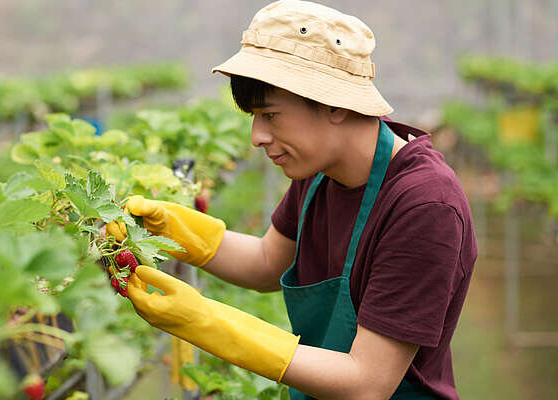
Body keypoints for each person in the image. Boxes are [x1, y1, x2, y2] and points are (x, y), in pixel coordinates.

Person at [108, 1, 477, 399]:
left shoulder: (424, 205)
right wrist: (174, 229)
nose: (256, 137)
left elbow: (367, 383)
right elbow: (267, 262)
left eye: (270, 115)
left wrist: (203, 321)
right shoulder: (320, 170)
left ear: (334, 104)